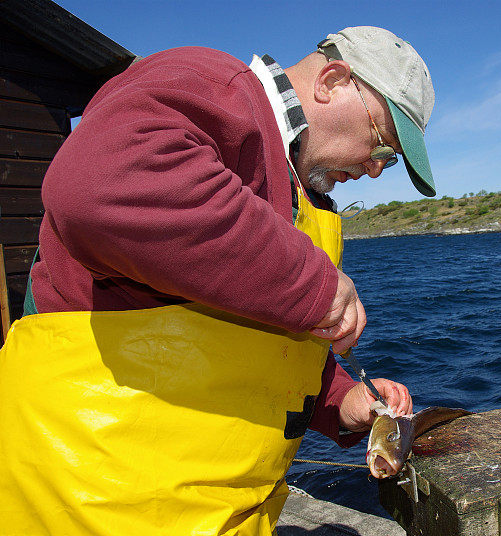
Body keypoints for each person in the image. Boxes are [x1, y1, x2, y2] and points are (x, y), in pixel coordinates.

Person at [0, 26, 436, 535]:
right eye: (382, 144)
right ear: (333, 81)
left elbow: (250, 346)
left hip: (226, 512)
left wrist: (340, 400)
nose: (377, 170)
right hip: (100, 506)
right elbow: (98, 187)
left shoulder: (308, 197)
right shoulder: (214, 85)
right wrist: (312, 283)